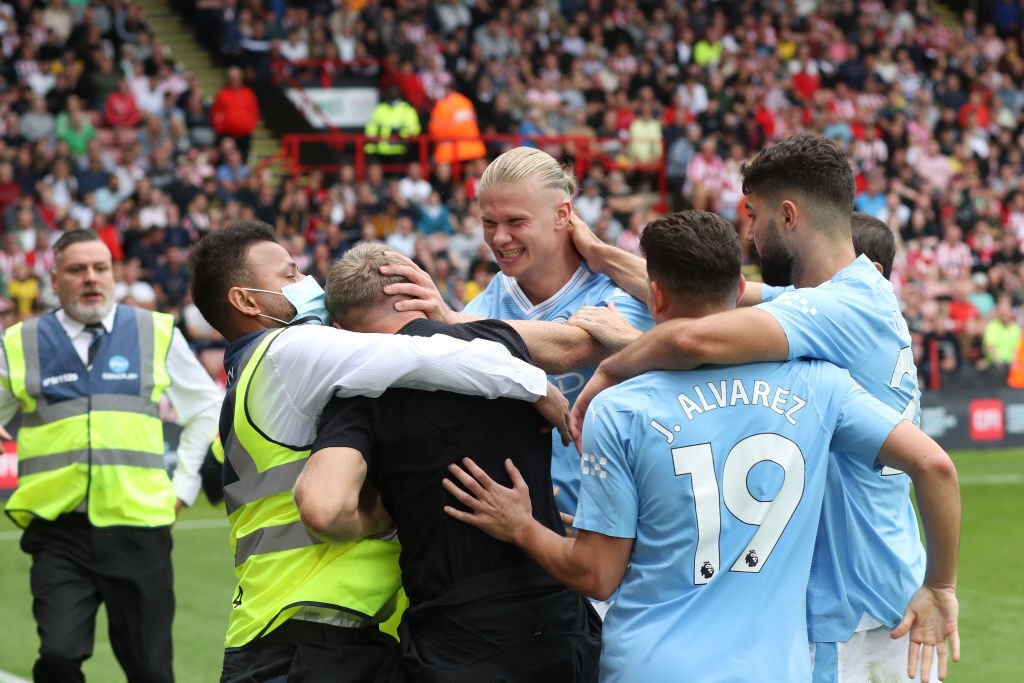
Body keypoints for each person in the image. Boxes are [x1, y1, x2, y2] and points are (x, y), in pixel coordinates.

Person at [443, 211, 960, 682]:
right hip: (776, 666)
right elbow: (934, 463)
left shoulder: (620, 409)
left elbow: (595, 575)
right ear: (740, 289)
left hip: (652, 664)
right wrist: (940, 585)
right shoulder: (819, 385)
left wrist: (521, 526)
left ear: (654, 298)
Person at [570, 134, 958, 681]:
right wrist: (594, 250)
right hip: (890, 578)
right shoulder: (850, 295)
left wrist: (614, 365)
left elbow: (692, 339)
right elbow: (705, 295)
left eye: (753, 215)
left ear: (790, 215)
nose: (748, 233)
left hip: (852, 605)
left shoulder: (835, 311)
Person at [187, 221, 566, 682]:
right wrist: (534, 384)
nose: (307, 285)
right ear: (246, 300)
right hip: (303, 641)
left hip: (300, 630)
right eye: (288, 276)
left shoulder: (252, 373)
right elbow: (420, 354)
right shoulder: (288, 350)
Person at [295, 243, 603, 682]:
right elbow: (572, 346)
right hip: (557, 611)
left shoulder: (359, 390)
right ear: (414, 294)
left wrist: (383, 514)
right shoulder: (501, 345)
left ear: (343, 329)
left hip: (460, 635)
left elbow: (323, 509)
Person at [1, 229, 223, 682]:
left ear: (115, 275)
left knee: (150, 670)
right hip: (58, 530)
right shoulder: (19, 344)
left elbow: (207, 408)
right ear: (55, 279)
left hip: (139, 527)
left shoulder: (156, 332)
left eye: (101, 268)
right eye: (77, 269)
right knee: (59, 657)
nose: (91, 279)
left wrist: (183, 486)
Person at [388, 147, 653, 515]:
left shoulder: (621, 293)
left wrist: (450, 323)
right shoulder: (481, 307)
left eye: (516, 222)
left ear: (562, 214)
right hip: (528, 533)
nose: (499, 239)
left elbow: (571, 348)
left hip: (620, 530)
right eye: (489, 223)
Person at [211, 67, 260, 162]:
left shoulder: (248, 94)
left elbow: (254, 112)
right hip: (227, 135)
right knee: (227, 159)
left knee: (243, 160)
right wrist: (220, 131)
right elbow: (216, 113)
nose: (235, 81)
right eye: (232, 78)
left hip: (244, 134)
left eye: (237, 78)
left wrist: (250, 127)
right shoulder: (222, 94)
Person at [364, 85, 422, 160]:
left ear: (400, 93)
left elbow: (414, 129)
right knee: (374, 168)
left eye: (395, 90)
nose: (393, 92)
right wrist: (375, 138)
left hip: (400, 150)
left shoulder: (407, 110)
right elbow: (371, 128)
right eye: (390, 90)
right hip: (380, 150)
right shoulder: (380, 108)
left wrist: (400, 133)